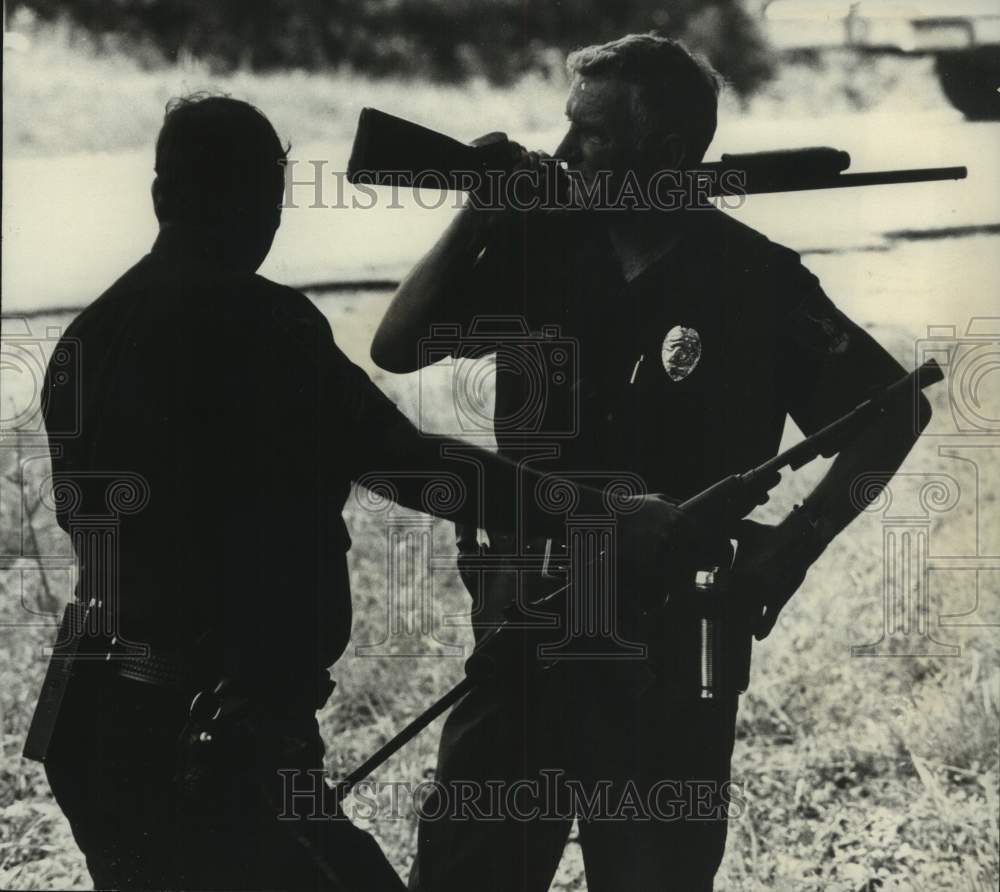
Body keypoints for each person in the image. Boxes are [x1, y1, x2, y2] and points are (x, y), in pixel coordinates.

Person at [24, 93, 683, 892]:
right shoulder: (261, 323)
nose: (268, 220)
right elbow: (411, 464)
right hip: (208, 733)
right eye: (262, 195)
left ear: (161, 193)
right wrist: (600, 514)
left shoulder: (91, 333)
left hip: (99, 721)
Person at [371, 34, 933, 892]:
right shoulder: (541, 251)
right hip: (528, 626)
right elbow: (399, 344)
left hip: (671, 644)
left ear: (664, 150)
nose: (562, 154)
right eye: (566, 129)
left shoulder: (753, 279)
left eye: (589, 135)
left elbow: (896, 410)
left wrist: (797, 544)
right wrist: (480, 211)